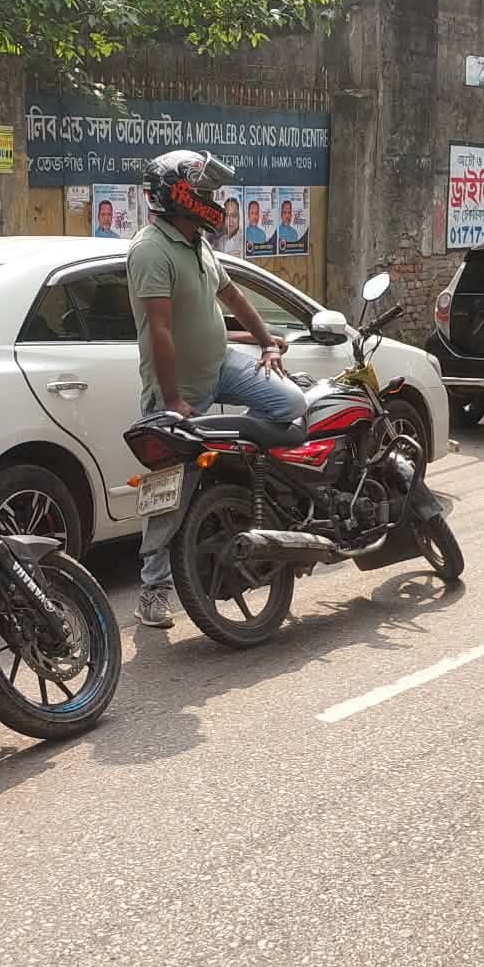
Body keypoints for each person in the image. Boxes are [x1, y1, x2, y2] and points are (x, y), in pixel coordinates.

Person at [128, 150, 305, 629]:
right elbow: (160, 329)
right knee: (167, 493)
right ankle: (153, 590)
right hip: (177, 389)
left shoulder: (197, 242)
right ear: (180, 196)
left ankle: (238, 481)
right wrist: (172, 402)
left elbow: (234, 296)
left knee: (290, 404)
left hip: (221, 366)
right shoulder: (151, 249)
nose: (214, 200)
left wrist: (267, 343)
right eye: (205, 192)